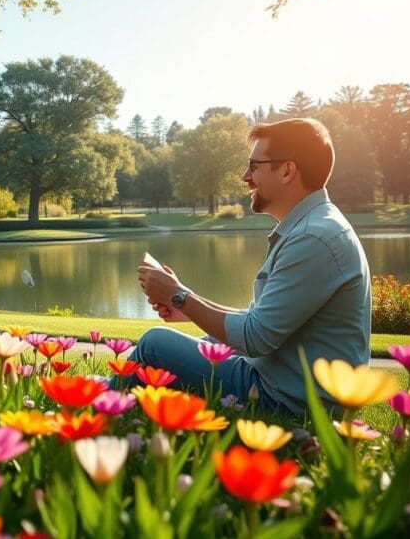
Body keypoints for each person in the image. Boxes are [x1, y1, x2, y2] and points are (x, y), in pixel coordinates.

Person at [133, 118, 371, 415]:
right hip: (287, 387)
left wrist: (180, 295)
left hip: (290, 403)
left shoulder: (314, 237)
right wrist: (185, 303)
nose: (245, 176)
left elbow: (255, 337)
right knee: (184, 346)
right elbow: (262, 322)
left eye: (254, 165)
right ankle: (108, 401)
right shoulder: (314, 227)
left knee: (155, 344)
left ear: (287, 171)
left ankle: (100, 411)